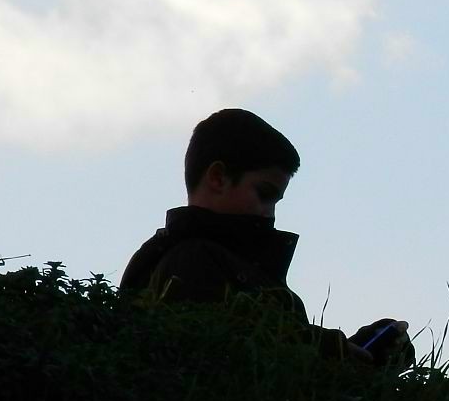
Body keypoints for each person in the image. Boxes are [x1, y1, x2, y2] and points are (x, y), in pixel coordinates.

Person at [120, 108, 410, 369]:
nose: (270, 214)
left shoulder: (223, 264)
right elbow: (230, 366)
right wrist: (332, 351)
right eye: (264, 194)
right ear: (218, 178)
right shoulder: (189, 261)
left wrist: (358, 353)